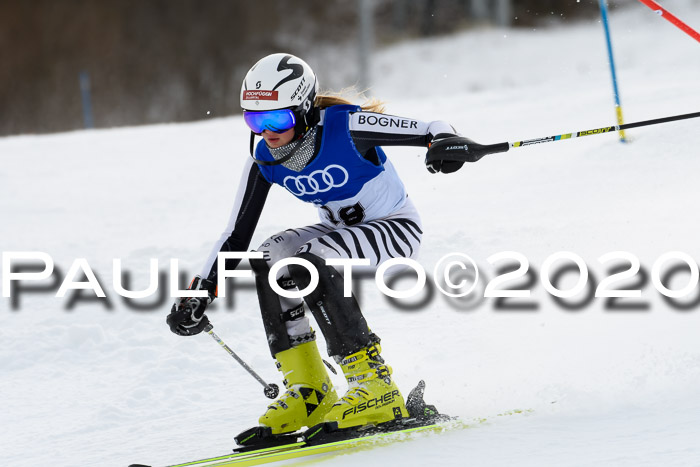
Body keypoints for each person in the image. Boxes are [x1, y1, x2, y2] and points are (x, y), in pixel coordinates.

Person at [166, 53, 468, 437]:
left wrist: (445, 143)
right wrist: (199, 292)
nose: (267, 132)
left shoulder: (347, 126)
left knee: (308, 261)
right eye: (254, 119)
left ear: (305, 109)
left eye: (277, 119)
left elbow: (432, 128)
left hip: (395, 229)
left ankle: (373, 383)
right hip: (337, 236)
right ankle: (311, 389)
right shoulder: (265, 157)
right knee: (270, 257)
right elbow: (236, 235)